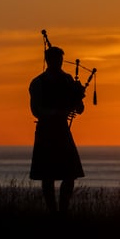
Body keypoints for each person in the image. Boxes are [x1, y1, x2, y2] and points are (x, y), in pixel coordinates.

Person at [29, 46, 86, 214]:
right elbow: (36, 110)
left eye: (60, 60)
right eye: (56, 60)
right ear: (48, 61)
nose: (59, 63)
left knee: (70, 174)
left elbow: (80, 109)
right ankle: (52, 212)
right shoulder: (38, 83)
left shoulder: (68, 80)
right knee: (48, 175)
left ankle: (63, 211)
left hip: (61, 130)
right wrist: (56, 112)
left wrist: (78, 97)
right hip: (46, 130)